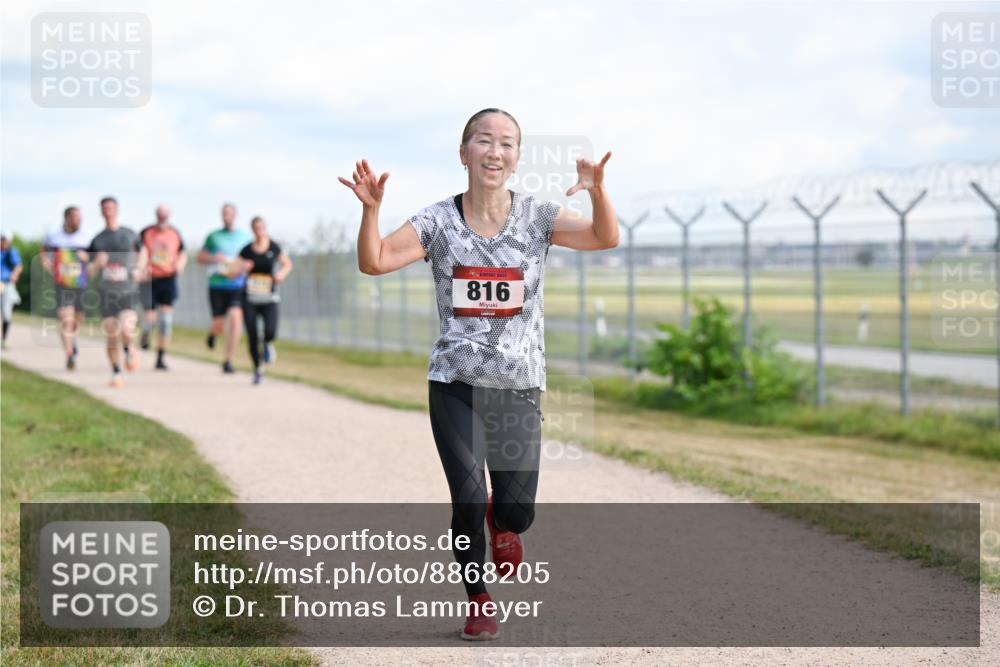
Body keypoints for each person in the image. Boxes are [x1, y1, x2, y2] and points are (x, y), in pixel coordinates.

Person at [339, 108, 619, 641]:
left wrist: (599, 191)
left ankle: (503, 523)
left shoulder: (539, 217)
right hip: (455, 382)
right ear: (464, 152)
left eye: (507, 143)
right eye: (483, 141)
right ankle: (479, 598)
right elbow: (374, 261)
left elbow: (605, 238)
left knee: (517, 512)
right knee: (466, 498)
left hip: (518, 385)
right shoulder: (436, 222)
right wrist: (371, 211)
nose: (495, 151)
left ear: (516, 159)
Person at [88, 197, 145, 387]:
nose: (108, 211)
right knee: (112, 334)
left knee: (127, 327)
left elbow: (143, 252)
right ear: (101, 211)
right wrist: (96, 263)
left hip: (127, 290)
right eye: (105, 208)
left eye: (111, 207)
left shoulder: (129, 234)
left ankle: (129, 349)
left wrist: (139, 268)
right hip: (106, 292)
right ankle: (116, 372)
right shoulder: (97, 240)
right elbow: (88, 271)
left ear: (117, 210)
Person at [232, 216, 292, 385]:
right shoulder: (246, 251)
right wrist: (243, 268)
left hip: (269, 298)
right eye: (256, 228)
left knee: (270, 331)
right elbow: (232, 271)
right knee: (252, 334)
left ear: (265, 228)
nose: (259, 231)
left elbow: (287, 264)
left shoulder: (274, 247)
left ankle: (267, 344)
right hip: (250, 298)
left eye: (261, 228)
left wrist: (281, 275)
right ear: (252, 230)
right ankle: (258, 368)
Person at [198, 203, 252, 374]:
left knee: (236, 320)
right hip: (217, 285)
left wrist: (242, 267)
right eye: (224, 214)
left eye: (230, 213)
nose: (227, 216)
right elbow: (200, 257)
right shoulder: (213, 237)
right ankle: (213, 334)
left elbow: (250, 261)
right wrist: (214, 257)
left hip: (237, 285)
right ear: (222, 216)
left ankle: (228, 360)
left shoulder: (245, 237)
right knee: (219, 324)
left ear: (235, 215)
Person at [136, 204, 187, 370]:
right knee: (149, 320)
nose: (162, 217)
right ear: (156, 215)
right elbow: (141, 252)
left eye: (165, 214)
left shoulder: (175, 233)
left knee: (165, 321)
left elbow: (183, 253)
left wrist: (180, 265)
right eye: (160, 214)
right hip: (150, 280)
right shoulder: (147, 232)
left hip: (168, 279)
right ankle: (145, 334)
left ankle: (160, 357)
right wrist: (141, 268)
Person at [42, 206, 90, 369]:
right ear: (67, 218)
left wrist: (87, 257)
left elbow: (95, 256)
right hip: (62, 283)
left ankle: (72, 338)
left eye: (80, 217)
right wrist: (47, 264)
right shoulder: (54, 236)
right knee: (64, 318)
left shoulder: (86, 236)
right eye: (76, 218)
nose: (79, 221)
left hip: (80, 283)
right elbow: (44, 251)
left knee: (78, 318)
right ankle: (69, 354)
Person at [0, 233, 24, 349]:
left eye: (5, 240)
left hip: (7, 284)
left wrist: (15, 274)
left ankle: (4, 340)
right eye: (2, 239)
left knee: (6, 313)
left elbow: (18, 266)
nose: (3, 242)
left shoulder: (11, 252)